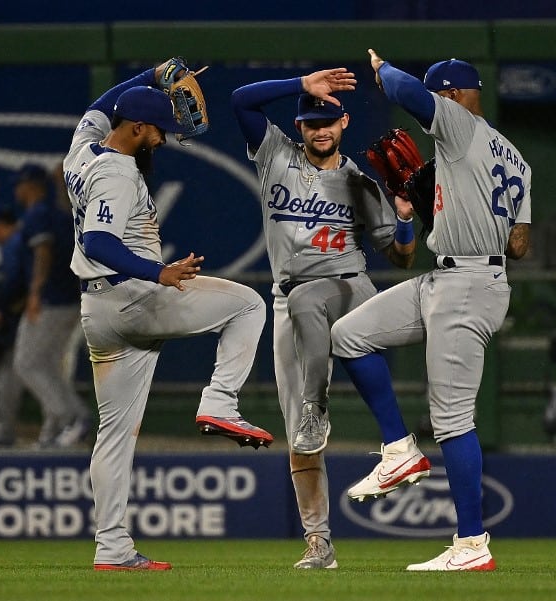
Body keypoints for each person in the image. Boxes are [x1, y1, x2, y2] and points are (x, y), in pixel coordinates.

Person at [63, 62, 273, 571]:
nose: (162, 138)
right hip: (134, 298)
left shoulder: (82, 150)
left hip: (98, 312)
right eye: (158, 129)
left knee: (114, 437)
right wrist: (156, 274)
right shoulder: (117, 171)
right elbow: (98, 241)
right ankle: (220, 403)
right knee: (249, 304)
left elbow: (104, 104)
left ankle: (112, 549)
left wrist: (154, 74)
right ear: (135, 128)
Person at [330, 50, 532, 571]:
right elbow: (520, 244)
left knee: (453, 421)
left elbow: (404, 93)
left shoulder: (460, 124)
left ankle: (470, 545)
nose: (436, 106)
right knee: (349, 335)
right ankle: (399, 449)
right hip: (452, 274)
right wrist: (452, 205)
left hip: (467, 284)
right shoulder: (516, 159)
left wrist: (382, 70)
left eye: (439, 97)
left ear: (451, 97)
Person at [231, 68, 416, 569]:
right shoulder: (276, 157)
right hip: (291, 297)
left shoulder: (360, 181)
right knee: (300, 433)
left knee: (318, 393)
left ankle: (397, 443)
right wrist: (301, 84)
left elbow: (400, 257)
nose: (320, 129)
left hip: (350, 288)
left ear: (344, 122)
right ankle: (319, 542)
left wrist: (403, 216)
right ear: (299, 124)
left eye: (328, 121)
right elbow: (241, 100)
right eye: (311, 121)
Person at [0, 187, 91, 449]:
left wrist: (4, 310)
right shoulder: (39, 229)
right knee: (46, 367)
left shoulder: (18, 241)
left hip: (47, 305)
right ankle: (58, 427)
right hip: (66, 302)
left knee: (28, 365)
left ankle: (69, 419)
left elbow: (16, 282)